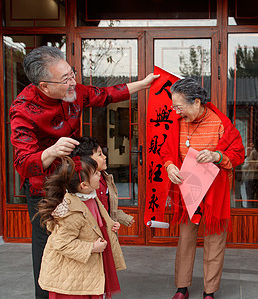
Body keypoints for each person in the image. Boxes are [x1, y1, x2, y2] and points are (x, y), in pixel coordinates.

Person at [9, 45, 158, 299]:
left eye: (72, 73)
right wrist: (52, 151)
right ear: (44, 86)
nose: (72, 82)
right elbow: (23, 163)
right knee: (51, 250)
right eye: (65, 79)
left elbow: (106, 94)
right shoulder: (22, 110)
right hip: (44, 191)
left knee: (85, 241)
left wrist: (143, 85)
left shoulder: (73, 91)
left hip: (73, 182)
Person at [161, 78, 245, 299]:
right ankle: (182, 287)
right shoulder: (177, 121)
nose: (175, 110)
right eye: (174, 106)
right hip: (188, 189)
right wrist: (170, 166)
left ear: (197, 102)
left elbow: (238, 154)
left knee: (215, 240)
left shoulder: (220, 123)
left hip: (214, 191)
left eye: (179, 106)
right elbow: (167, 152)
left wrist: (217, 156)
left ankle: (209, 291)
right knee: (186, 238)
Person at [37, 156, 125, 298]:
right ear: (84, 185)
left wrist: (110, 225)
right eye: (96, 173)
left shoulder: (90, 196)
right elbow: (62, 243)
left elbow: (96, 219)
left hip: (86, 268)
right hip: (70, 277)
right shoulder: (70, 210)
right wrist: (91, 248)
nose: (99, 175)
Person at [70, 136, 134, 227]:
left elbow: (108, 208)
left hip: (107, 228)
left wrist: (124, 218)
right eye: (99, 154)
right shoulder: (84, 183)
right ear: (87, 160)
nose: (105, 157)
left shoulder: (105, 177)